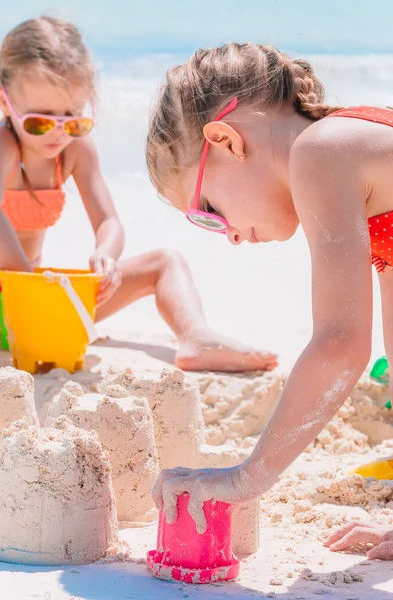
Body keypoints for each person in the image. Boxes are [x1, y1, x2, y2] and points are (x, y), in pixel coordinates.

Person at [147, 42, 393, 532]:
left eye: (209, 214)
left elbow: (341, 343)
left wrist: (246, 478)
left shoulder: (322, 151)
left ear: (226, 141)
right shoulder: (364, 172)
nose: (232, 235)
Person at [0, 19, 278, 373]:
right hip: (13, 296)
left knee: (164, 263)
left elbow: (108, 220)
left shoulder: (75, 151)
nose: (58, 133)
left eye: (73, 120)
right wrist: (27, 285)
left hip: (33, 301)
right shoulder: (0, 145)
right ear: (3, 100)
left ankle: (197, 337)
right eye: (40, 121)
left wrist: (105, 255)